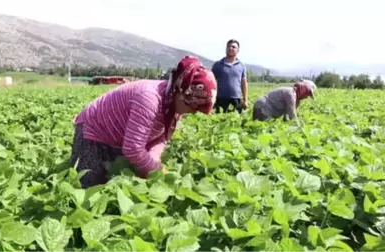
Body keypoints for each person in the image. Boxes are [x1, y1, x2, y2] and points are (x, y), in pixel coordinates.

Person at [70, 56, 217, 188]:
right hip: (93, 133)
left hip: (119, 138)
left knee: (113, 184)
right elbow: (133, 149)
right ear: (180, 92)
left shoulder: (173, 105)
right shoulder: (149, 99)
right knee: (88, 187)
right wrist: (158, 171)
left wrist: (151, 165)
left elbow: (162, 138)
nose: (193, 112)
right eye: (192, 106)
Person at [252, 79, 316, 125]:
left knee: (259, 129)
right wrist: (299, 127)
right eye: (307, 95)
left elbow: (286, 116)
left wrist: (287, 123)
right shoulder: (290, 94)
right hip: (263, 108)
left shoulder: (295, 98)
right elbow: (292, 114)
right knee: (260, 129)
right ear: (303, 91)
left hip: (264, 108)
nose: (306, 97)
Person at [211, 39, 249, 113]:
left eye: (233, 47)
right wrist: (211, 99)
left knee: (235, 122)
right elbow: (211, 82)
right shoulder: (217, 65)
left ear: (238, 50)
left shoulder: (241, 66)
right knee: (219, 122)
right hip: (220, 99)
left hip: (236, 99)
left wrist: (245, 100)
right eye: (228, 46)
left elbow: (244, 83)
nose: (230, 48)